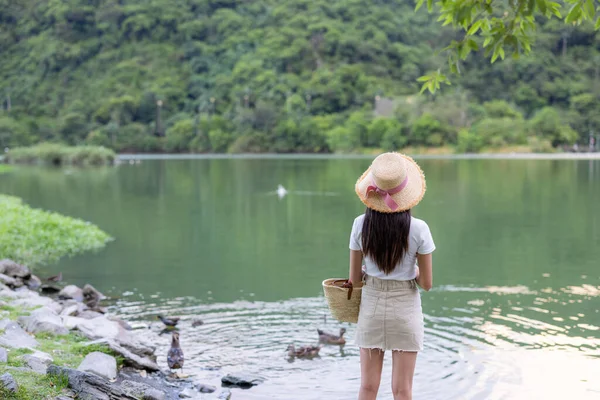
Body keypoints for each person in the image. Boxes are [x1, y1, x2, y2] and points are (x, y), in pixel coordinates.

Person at [348, 152, 435, 400]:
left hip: (372, 307)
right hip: (405, 310)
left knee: (367, 387)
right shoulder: (419, 229)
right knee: (402, 390)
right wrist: (413, 271)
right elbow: (426, 284)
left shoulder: (359, 224)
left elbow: (354, 280)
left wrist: (370, 271)